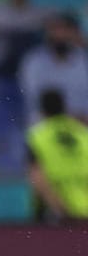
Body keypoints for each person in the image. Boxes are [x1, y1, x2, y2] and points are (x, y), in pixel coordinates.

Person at [26, 88, 88, 223]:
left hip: (55, 214)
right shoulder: (83, 133)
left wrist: (59, 209)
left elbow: (37, 177)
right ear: (64, 106)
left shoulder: (37, 135)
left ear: (42, 110)